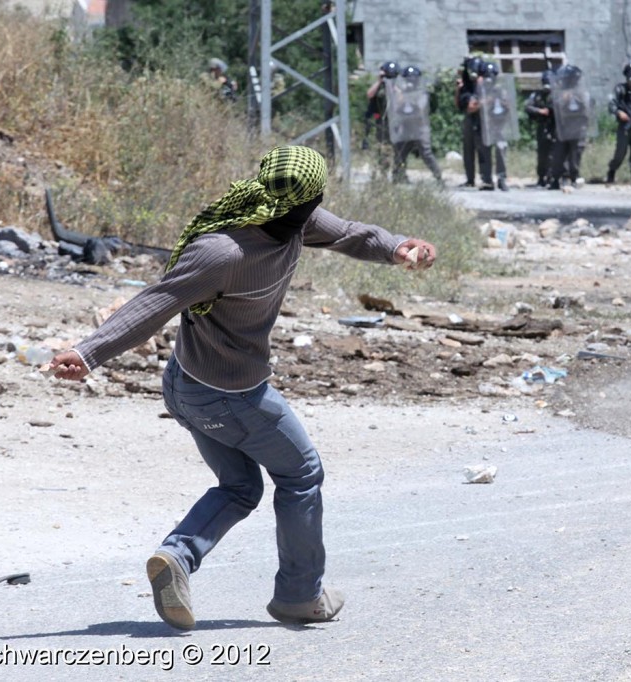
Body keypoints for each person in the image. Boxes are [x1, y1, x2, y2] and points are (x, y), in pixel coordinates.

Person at [49, 145, 437, 630]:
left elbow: (351, 234)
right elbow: (156, 302)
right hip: (232, 396)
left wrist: (397, 246)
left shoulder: (291, 215)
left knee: (240, 486)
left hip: (186, 386)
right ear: (311, 196)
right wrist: (89, 353)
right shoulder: (222, 252)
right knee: (301, 475)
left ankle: (176, 558)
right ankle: (301, 595)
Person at [389, 65, 444, 185]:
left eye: (412, 79)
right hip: (405, 127)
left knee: (426, 153)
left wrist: (404, 99)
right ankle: (398, 176)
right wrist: (400, 95)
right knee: (400, 152)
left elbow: (420, 109)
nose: (410, 82)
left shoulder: (422, 93)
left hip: (420, 128)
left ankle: (438, 177)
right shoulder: (402, 93)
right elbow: (397, 108)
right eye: (408, 79)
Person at [548, 64, 590, 190]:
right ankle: (556, 178)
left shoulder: (582, 93)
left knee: (575, 155)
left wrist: (572, 97)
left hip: (577, 128)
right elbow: (555, 106)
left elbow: (586, 110)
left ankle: (574, 177)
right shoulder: (560, 92)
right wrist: (562, 99)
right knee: (559, 154)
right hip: (563, 127)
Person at [476, 61, 509, 191]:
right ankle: (487, 180)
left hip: (499, 125)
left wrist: (505, 104)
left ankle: (501, 178)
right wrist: (484, 102)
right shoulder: (479, 90)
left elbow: (508, 107)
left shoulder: (501, 90)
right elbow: (473, 105)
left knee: (501, 149)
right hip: (484, 125)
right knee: (484, 153)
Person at [365, 60, 401, 173]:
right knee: (382, 147)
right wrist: (380, 81)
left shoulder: (397, 88)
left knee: (397, 148)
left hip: (394, 121)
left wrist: (392, 86)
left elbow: (401, 100)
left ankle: (398, 172)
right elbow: (369, 94)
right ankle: (382, 171)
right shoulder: (379, 87)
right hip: (381, 121)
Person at [524, 69, 557, 187]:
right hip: (542, 126)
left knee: (554, 154)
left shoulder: (557, 95)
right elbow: (528, 107)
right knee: (542, 154)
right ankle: (541, 177)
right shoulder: (537, 95)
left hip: (555, 127)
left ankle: (553, 177)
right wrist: (540, 111)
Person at [455, 55, 483, 188]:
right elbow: (459, 104)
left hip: (483, 120)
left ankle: (486, 178)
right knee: (468, 150)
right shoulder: (466, 86)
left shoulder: (484, 83)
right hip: (469, 119)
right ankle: (470, 179)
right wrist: (458, 88)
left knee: (483, 150)